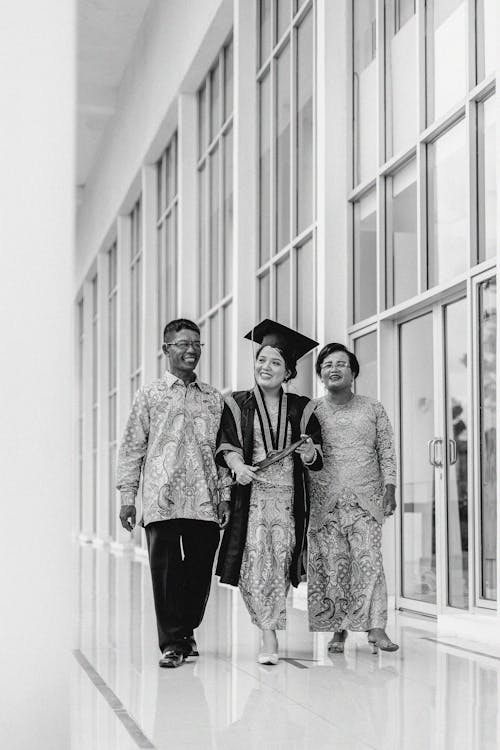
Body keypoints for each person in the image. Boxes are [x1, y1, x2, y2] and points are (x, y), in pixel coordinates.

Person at [116, 318, 230, 668]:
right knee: (165, 573)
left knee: (197, 574)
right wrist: (127, 497)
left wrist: (225, 493)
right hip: (160, 497)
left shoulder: (214, 398)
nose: (191, 349)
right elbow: (133, 447)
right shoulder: (149, 395)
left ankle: (186, 629)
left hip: (204, 499)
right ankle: (172, 642)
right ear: (166, 349)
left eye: (197, 343)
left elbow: (224, 449)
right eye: (182, 343)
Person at [215, 319, 323, 665]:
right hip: (253, 497)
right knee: (253, 565)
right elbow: (227, 443)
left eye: (275, 363)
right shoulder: (236, 403)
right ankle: (267, 630)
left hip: (289, 499)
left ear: (288, 372)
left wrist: (309, 453)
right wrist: (237, 466)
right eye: (262, 360)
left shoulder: (303, 408)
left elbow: (317, 454)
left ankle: (269, 631)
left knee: (279, 562)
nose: (266, 367)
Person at [307, 343, 399, 653]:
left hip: (366, 498)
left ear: (353, 371)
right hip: (325, 501)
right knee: (334, 565)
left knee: (369, 562)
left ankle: (377, 628)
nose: (334, 368)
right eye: (327, 364)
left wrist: (390, 488)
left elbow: (386, 451)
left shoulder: (373, 408)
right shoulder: (312, 411)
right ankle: (338, 630)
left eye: (341, 364)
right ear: (320, 373)